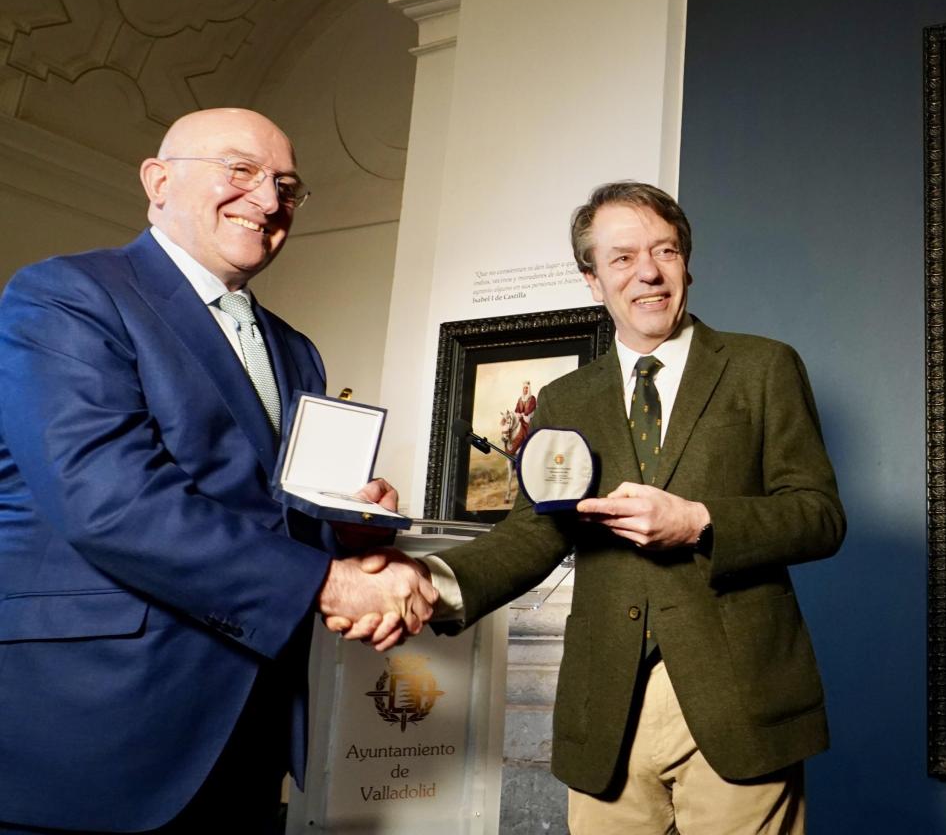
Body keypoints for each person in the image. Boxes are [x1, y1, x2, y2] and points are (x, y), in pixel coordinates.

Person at [0, 108, 437, 833]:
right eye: (241, 172)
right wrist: (332, 583)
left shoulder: (296, 350)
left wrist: (353, 535)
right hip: (94, 735)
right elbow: (109, 501)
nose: (268, 201)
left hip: (248, 733)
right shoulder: (65, 296)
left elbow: (273, 515)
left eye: (287, 187)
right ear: (158, 181)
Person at [424, 182, 845, 834]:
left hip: (740, 703)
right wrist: (433, 584)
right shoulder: (565, 400)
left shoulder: (763, 368)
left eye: (665, 250)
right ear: (592, 280)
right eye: (621, 258)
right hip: (605, 712)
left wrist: (700, 522)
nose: (647, 271)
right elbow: (534, 535)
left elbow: (819, 516)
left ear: (686, 263)